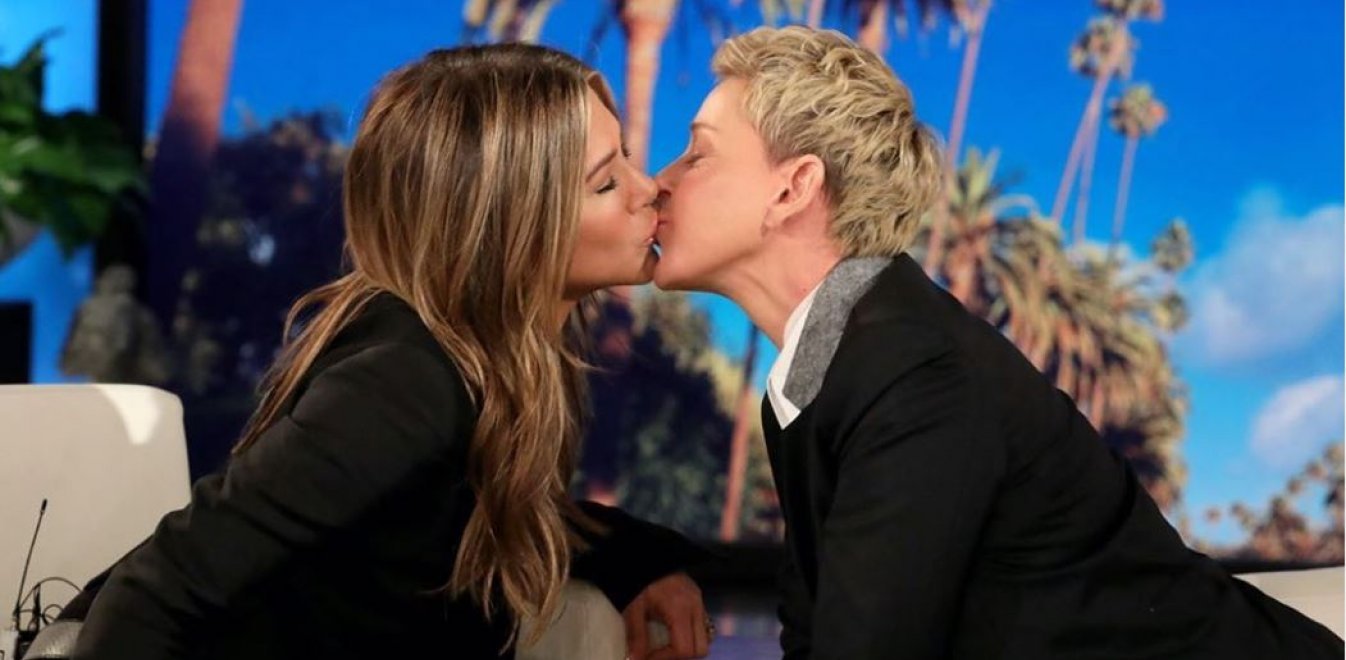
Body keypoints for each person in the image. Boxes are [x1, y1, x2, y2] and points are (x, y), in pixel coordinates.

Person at [652, 25, 1343, 659]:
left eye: (697, 155)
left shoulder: (916, 373)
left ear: (794, 188)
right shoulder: (828, 371)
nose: (661, 181)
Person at [71, 44, 713, 660]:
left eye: (626, 158)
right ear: (508, 222)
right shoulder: (408, 381)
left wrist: (638, 555)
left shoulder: (481, 358)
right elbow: (160, 589)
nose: (648, 187)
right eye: (605, 183)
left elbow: (480, 518)